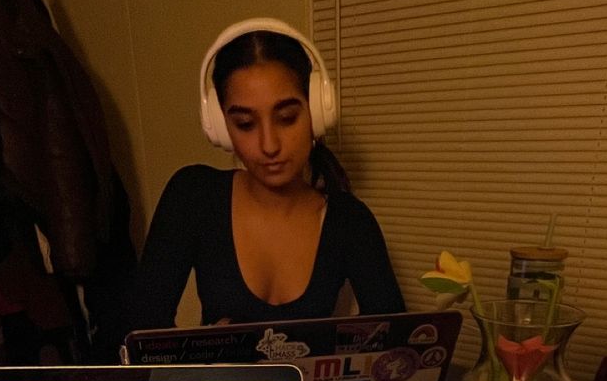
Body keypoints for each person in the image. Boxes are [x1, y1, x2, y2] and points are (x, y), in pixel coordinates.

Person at [128, 18, 405, 331]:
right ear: (220, 127)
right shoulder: (193, 196)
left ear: (317, 111)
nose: (269, 145)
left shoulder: (349, 221)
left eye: (287, 118)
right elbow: (141, 333)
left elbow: (396, 347)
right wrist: (201, 356)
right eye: (245, 124)